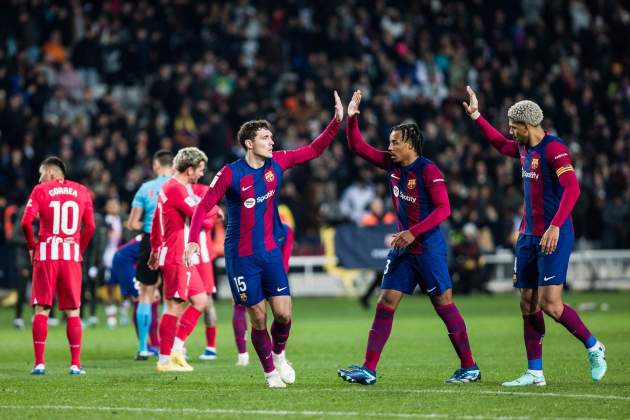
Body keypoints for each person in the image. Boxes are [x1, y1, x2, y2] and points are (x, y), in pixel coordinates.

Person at [185, 91, 343, 387]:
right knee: (258, 318)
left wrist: (336, 121)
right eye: (265, 138)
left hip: (270, 252)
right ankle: (270, 373)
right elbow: (204, 205)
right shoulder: (230, 174)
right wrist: (193, 240)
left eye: (272, 138)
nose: (272, 142)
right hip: (241, 257)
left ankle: (280, 354)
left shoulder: (278, 164)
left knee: (282, 315)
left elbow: (314, 149)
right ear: (249, 143)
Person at [463, 86, 607, 385]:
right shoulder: (523, 147)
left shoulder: (554, 149)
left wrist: (555, 226)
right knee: (527, 303)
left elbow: (573, 189)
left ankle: (594, 346)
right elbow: (500, 144)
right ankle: (535, 373)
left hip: (554, 234)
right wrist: (476, 115)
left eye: (514, 127)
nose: (510, 132)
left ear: (528, 127)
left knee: (550, 305)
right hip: (527, 236)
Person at [338, 90, 480, 385]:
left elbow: (444, 209)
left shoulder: (428, 170)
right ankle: (368, 369)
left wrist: (412, 232)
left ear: (410, 144)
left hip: (427, 248)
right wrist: (352, 118)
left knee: (443, 305)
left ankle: (470, 366)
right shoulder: (391, 165)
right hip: (404, 250)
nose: (389, 147)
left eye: (395, 142)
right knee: (385, 301)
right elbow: (357, 146)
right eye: (389, 142)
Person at [20, 156, 95, 375]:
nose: (39, 177)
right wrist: (77, 248)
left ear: (51, 173)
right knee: (73, 311)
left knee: (42, 308)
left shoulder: (39, 191)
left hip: (46, 255)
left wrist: (32, 245)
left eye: (41, 173)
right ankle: (75, 364)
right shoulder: (82, 191)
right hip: (71, 256)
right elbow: (89, 226)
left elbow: (25, 222)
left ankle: (40, 363)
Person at [149, 147, 216, 373]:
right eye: (200, 170)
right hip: (177, 254)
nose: (201, 174)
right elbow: (199, 212)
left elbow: (156, 222)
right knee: (174, 307)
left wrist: (154, 249)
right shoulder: (175, 188)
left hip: (181, 255)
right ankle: (164, 360)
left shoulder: (172, 187)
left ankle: (176, 350)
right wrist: (215, 208)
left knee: (200, 301)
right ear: (189, 170)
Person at [126, 150, 173, 360]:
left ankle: (144, 347)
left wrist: (149, 223)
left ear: (156, 165)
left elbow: (131, 223)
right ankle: (173, 347)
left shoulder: (145, 189)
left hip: (149, 240)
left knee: (145, 294)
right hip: (173, 241)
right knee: (172, 297)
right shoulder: (179, 186)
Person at [109, 234, 160, 354]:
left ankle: (153, 344)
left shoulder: (154, 231)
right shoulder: (159, 235)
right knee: (142, 299)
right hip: (125, 262)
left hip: (129, 261)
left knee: (150, 299)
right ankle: (146, 345)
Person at [191, 182, 223, 361]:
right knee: (178, 300)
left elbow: (213, 218)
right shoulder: (175, 188)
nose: (200, 173)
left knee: (208, 301)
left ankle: (211, 347)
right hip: (183, 253)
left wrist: (196, 219)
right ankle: (180, 346)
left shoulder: (204, 191)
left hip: (203, 257)